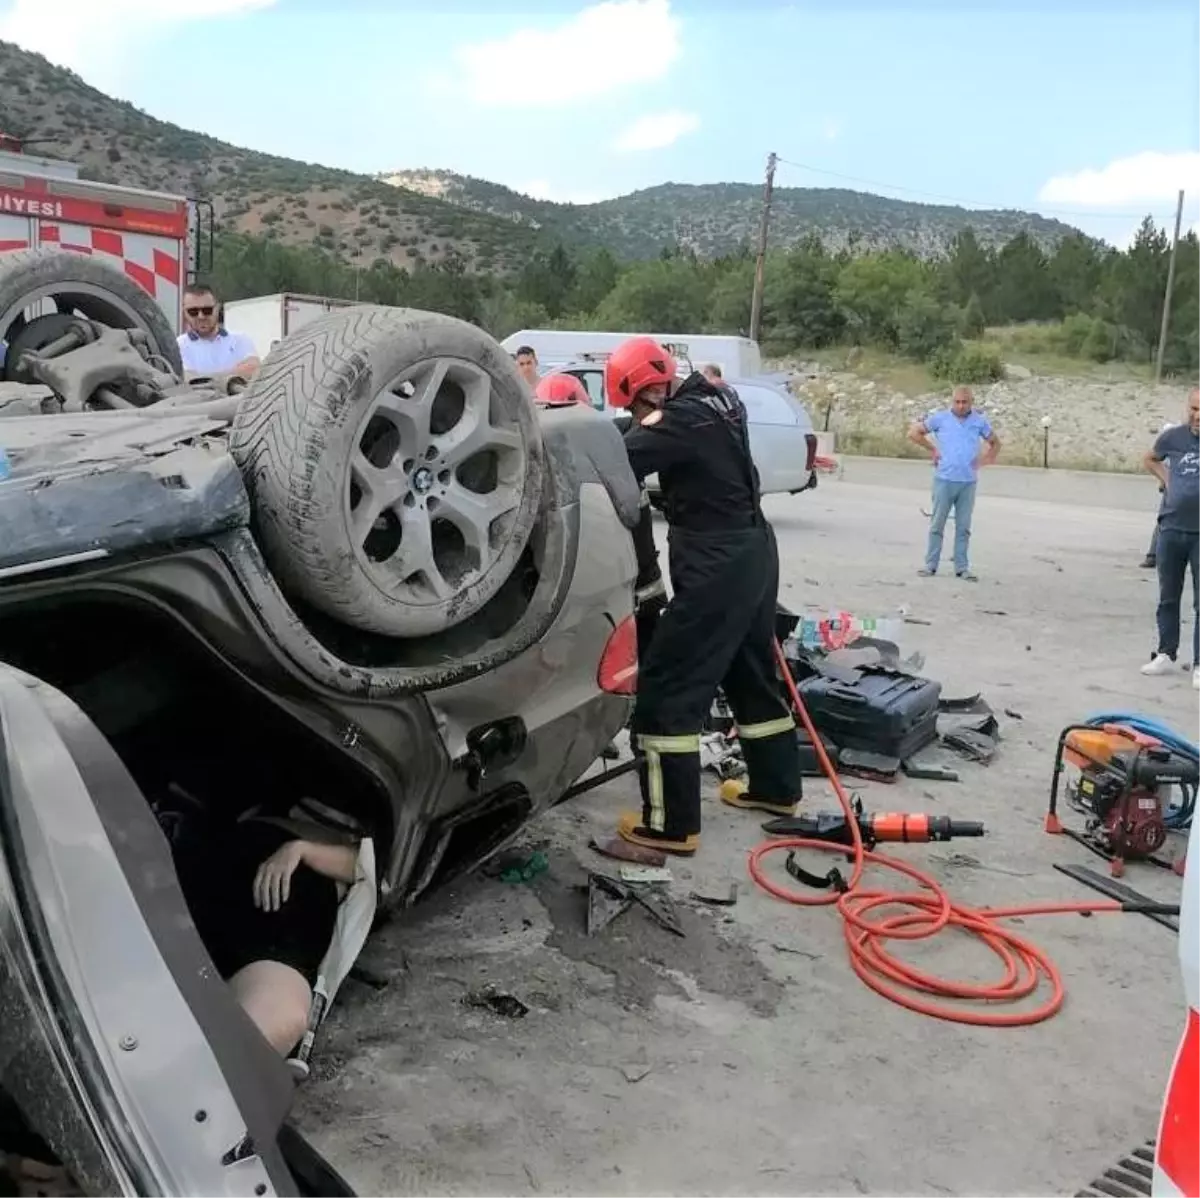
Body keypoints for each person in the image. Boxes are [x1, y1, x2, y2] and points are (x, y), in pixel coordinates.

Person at [604, 336, 803, 857]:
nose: (633, 413)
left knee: (670, 685)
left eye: (632, 403)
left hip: (717, 561)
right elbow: (647, 433)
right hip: (756, 549)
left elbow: (617, 462)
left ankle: (670, 826)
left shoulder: (677, 422)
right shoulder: (719, 397)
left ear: (649, 390)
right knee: (749, 667)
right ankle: (776, 788)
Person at [167, 793, 363, 1055]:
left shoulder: (357, 838)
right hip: (230, 867)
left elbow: (367, 866)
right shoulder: (273, 808)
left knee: (278, 1021)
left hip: (277, 920)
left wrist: (301, 849)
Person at [908, 385, 1001, 581]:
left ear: (971, 402)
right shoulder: (940, 418)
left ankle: (962, 567)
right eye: (957, 402)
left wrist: (985, 460)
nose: (960, 406)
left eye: (964, 402)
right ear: (952, 401)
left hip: (967, 482)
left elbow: (995, 442)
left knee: (963, 526)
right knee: (937, 524)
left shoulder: (978, 422)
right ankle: (930, 565)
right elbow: (914, 433)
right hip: (944, 479)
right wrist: (932, 449)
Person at [1141, 390, 1200, 685]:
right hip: (1171, 528)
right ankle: (1166, 653)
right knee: (1168, 596)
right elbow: (1150, 458)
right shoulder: (1173, 437)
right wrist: (1167, 479)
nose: (1198, 415)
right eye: (1194, 408)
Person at [177, 283, 260, 378]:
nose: (201, 316)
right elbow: (185, 379)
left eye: (207, 310)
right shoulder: (178, 346)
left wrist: (203, 378)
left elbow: (254, 370)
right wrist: (235, 374)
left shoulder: (240, 339)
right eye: (193, 312)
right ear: (184, 312)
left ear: (217, 308)